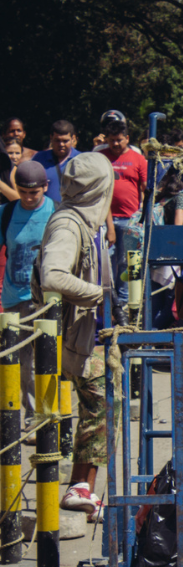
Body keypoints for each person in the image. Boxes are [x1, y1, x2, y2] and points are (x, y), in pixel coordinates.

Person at [41, 153, 112, 521]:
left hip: (86, 331)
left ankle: (81, 486)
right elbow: (52, 275)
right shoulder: (68, 225)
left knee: (103, 403)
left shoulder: (85, 219)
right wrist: (97, 293)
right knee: (101, 403)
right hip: (70, 336)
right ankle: (78, 486)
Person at [2, 162, 56, 431]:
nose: (28, 197)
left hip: (46, 298)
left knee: (48, 358)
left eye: (33, 192)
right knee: (23, 362)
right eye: (23, 191)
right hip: (15, 297)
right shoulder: (7, 213)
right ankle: (34, 415)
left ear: (45, 186)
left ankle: (50, 415)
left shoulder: (56, 212)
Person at [101, 117, 146, 314]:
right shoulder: (101, 158)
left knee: (129, 264)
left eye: (119, 139)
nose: (116, 143)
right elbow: (100, 194)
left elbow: (145, 189)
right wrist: (110, 227)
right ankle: (110, 307)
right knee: (107, 263)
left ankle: (129, 308)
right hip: (106, 219)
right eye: (112, 140)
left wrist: (141, 217)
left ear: (127, 138)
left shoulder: (138, 159)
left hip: (131, 221)